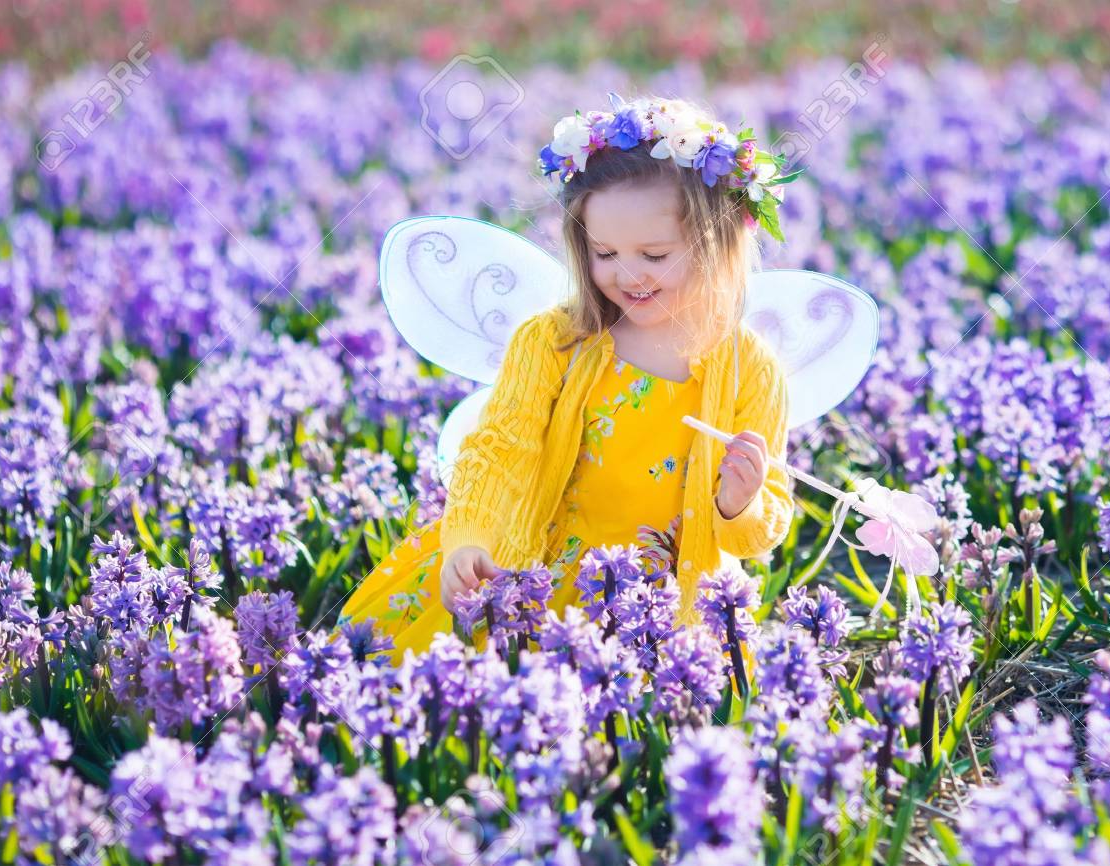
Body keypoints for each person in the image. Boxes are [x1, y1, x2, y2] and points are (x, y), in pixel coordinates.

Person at [339, 94, 797, 663]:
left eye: (655, 256)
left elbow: (760, 531)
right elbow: (501, 449)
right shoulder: (554, 341)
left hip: (659, 609)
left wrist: (738, 503)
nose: (628, 276)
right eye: (605, 253)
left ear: (716, 243)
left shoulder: (751, 369)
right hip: (532, 571)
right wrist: (470, 536)